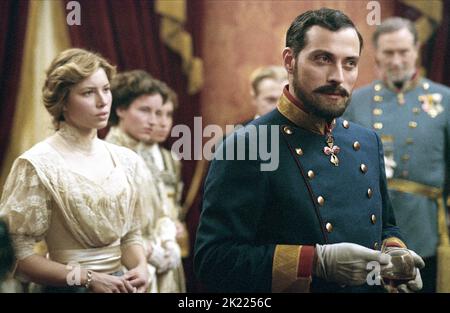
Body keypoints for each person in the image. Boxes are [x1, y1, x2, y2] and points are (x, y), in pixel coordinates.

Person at [194, 8, 424, 293]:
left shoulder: (367, 141)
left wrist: (395, 255)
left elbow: (386, 227)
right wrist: (315, 262)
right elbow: (214, 261)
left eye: (350, 63)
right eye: (323, 59)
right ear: (290, 61)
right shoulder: (246, 145)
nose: (337, 76)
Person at [0, 48, 149, 293]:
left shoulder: (126, 160)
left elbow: (131, 236)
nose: (103, 101)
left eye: (106, 89)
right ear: (63, 102)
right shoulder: (38, 164)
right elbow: (18, 256)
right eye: (88, 93)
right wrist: (89, 278)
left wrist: (141, 266)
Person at [343, 17, 450, 293]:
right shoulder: (354, 101)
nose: (397, 60)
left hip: (425, 225)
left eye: (403, 51)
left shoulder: (445, 100)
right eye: (388, 53)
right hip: (368, 226)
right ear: (376, 55)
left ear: (416, 50)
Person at [106, 70, 186, 293]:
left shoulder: (145, 154)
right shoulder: (108, 154)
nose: (154, 121)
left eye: (158, 112)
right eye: (145, 111)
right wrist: (148, 251)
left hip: (160, 262)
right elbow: (108, 225)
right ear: (120, 109)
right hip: (124, 267)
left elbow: (162, 210)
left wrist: (169, 241)